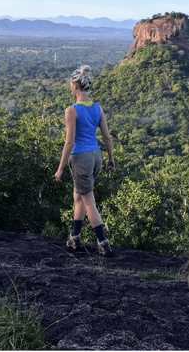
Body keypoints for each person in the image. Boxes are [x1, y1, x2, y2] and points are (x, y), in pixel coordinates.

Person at [54, 65, 115, 256]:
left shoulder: (72, 110)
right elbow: (107, 137)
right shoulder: (97, 107)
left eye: (71, 85)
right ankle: (74, 238)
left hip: (81, 158)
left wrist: (60, 168)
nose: (70, 88)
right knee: (78, 196)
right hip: (96, 156)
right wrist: (110, 159)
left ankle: (103, 242)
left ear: (75, 86)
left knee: (89, 200)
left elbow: (69, 142)